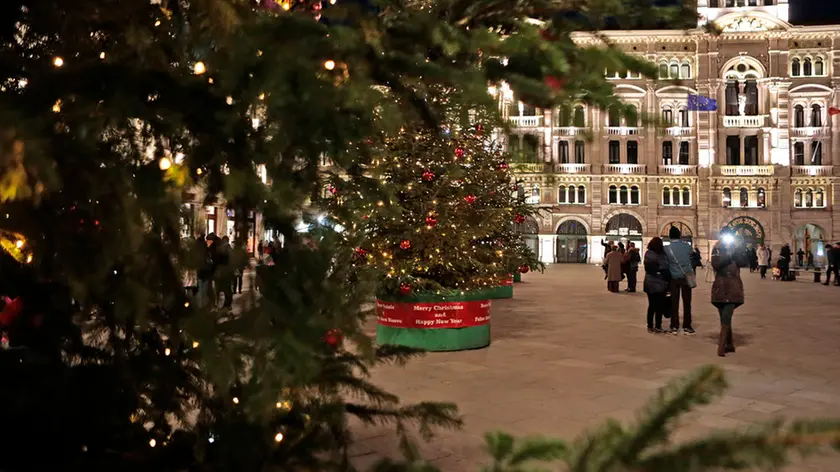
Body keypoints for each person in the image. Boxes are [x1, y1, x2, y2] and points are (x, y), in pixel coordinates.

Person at [711, 241, 749, 357]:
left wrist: (738, 250)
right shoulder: (716, 250)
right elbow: (716, 264)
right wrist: (728, 254)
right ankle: (730, 344)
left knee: (726, 316)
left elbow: (744, 262)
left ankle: (721, 347)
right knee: (724, 317)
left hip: (733, 287)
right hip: (720, 288)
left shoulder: (736, 249)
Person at [664, 227, 695, 335]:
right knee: (687, 302)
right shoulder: (687, 246)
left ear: (670, 236)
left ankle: (674, 325)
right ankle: (687, 326)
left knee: (674, 302)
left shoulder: (667, 249)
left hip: (674, 278)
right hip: (686, 277)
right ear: (680, 235)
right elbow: (691, 254)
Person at [643, 237, 670, 333]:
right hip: (660, 283)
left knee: (651, 305)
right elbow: (664, 268)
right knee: (659, 306)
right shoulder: (661, 255)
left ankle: (650, 325)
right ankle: (658, 326)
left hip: (649, 282)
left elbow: (648, 268)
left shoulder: (648, 253)